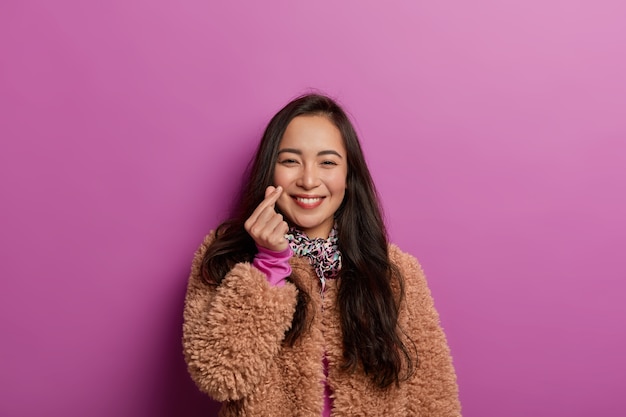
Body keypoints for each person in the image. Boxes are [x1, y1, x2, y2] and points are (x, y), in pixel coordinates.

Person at [182, 93, 461, 416]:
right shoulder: (224, 258)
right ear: (269, 171)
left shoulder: (395, 271)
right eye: (290, 161)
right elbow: (219, 376)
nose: (309, 180)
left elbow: (434, 399)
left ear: (348, 176)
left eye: (327, 162)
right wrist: (269, 266)